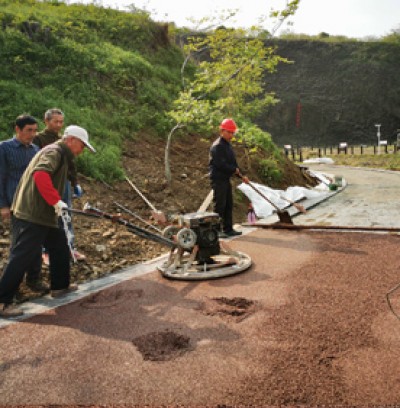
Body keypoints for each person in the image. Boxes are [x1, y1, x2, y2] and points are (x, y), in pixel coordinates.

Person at [0, 125, 96, 318]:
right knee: (23, 255)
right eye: (82, 146)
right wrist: (56, 200)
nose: (82, 150)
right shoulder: (54, 151)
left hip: (45, 213)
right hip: (32, 213)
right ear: (71, 140)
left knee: (60, 244)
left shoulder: (63, 154)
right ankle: (2, 301)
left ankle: (60, 286)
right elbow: (40, 175)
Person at [0, 114, 49, 293]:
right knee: (19, 246)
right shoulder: (4, 148)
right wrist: (3, 205)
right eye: (29, 130)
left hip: (34, 204)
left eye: (35, 130)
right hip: (16, 204)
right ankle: (11, 287)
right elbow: (1, 177)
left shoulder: (35, 149)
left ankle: (34, 279)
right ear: (17, 130)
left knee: (36, 243)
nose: (32, 134)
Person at [33, 108, 86, 263]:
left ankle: (69, 247)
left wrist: (75, 182)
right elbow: (40, 168)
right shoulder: (39, 140)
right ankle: (46, 251)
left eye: (61, 122)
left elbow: (71, 165)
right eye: (55, 121)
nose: (58, 125)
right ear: (46, 121)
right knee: (48, 217)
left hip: (64, 183)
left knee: (66, 216)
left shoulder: (64, 139)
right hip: (49, 184)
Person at [209, 118, 249, 238]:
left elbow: (233, 163)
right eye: (229, 132)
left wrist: (241, 175)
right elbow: (220, 164)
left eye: (232, 133)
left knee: (228, 204)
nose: (231, 135)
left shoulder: (227, 145)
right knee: (219, 205)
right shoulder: (217, 146)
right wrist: (233, 170)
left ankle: (228, 228)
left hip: (225, 179)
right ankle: (216, 230)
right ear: (222, 131)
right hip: (218, 179)